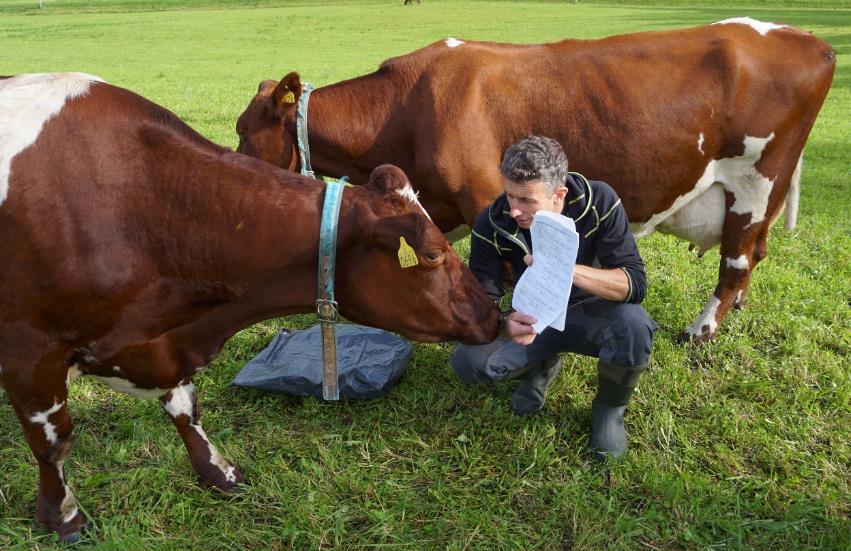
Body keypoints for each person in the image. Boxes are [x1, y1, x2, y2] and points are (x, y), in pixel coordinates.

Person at [451, 135, 658, 460]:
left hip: (591, 314)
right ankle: (541, 367)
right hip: (535, 320)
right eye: (509, 195)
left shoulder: (599, 202)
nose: (514, 209)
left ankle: (609, 410)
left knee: (633, 324)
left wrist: (567, 270)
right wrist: (505, 324)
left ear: (558, 194)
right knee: (468, 361)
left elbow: (633, 283)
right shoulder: (493, 221)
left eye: (527, 200)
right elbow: (482, 299)